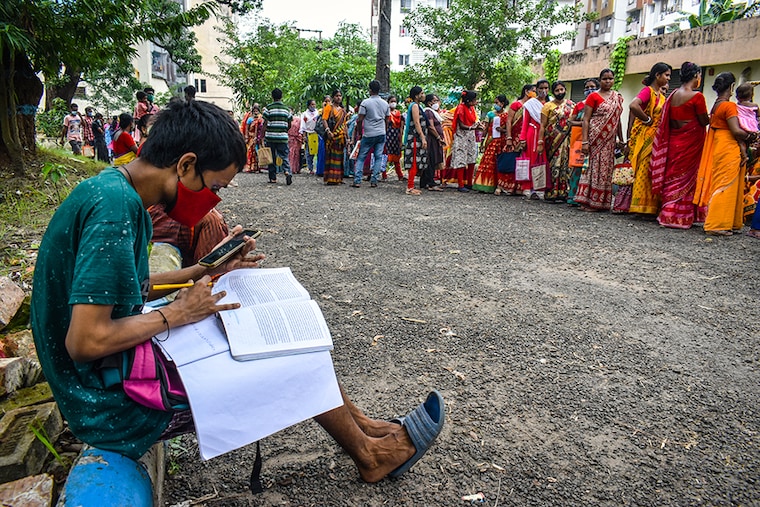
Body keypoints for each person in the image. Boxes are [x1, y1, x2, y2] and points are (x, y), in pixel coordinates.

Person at [30, 99, 443, 483]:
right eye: (216, 187)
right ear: (186, 165)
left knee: (287, 337)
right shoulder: (115, 209)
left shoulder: (117, 192)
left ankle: (366, 427)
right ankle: (371, 458)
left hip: (113, 373)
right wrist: (177, 314)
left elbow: (128, 287)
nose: (215, 200)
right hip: (108, 403)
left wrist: (204, 270)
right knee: (287, 357)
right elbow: (86, 340)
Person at [693, 72, 758, 235]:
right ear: (731, 87)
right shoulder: (728, 106)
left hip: (721, 145)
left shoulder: (716, 104)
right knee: (725, 184)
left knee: (728, 183)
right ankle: (716, 224)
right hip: (728, 146)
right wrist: (752, 135)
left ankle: (729, 222)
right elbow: (736, 130)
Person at [648, 62, 709, 229]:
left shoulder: (672, 95)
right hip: (690, 144)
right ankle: (681, 217)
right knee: (686, 178)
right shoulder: (697, 97)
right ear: (696, 76)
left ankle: (667, 213)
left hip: (674, 142)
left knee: (673, 175)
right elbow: (704, 121)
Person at [626, 62, 672, 215]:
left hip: (657, 138)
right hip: (645, 137)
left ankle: (651, 205)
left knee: (653, 169)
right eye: (666, 75)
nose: (668, 79)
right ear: (657, 75)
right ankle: (640, 206)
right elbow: (633, 105)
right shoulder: (648, 91)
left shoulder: (661, 95)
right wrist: (647, 120)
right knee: (644, 170)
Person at [577, 69, 626, 212]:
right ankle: (588, 201)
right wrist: (585, 141)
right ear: (600, 80)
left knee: (605, 169)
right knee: (592, 168)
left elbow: (617, 120)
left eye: (611, 78)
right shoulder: (593, 96)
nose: (608, 81)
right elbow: (586, 120)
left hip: (609, 141)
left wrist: (621, 139)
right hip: (594, 138)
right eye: (605, 79)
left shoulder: (617, 97)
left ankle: (602, 202)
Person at [537, 82, 575, 202]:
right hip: (552, 141)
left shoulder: (571, 105)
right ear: (553, 93)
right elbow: (542, 125)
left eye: (561, 89)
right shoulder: (547, 106)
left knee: (566, 164)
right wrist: (540, 142)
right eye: (557, 90)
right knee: (554, 164)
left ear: (565, 90)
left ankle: (564, 192)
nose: (560, 92)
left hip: (567, 140)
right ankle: (551, 192)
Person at [352, 80, 391, 188]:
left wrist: (360, 132)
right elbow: (387, 119)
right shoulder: (385, 104)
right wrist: (385, 130)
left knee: (361, 157)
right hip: (381, 133)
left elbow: (359, 120)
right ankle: (374, 180)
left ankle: (357, 180)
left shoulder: (365, 103)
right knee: (378, 157)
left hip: (369, 133)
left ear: (370, 90)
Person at [567, 79, 598, 205]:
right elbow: (570, 121)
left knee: (593, 169)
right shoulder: (580, 105)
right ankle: (573, 196)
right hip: (580, 139)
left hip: (596, 139)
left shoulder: (601, 104)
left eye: (593, 87)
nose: (589, 90)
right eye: (587, 87)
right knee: (578, 168)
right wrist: (585, 123)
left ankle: (590, 198)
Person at [520, 80, 551, 199]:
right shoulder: (530, 104)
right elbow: (525, 122)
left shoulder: (551, 102)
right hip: (533, 134)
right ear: (536, 89)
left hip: (548, 135)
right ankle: (530, 187)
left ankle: (543, 187)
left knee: (545, 160)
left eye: (546, 88)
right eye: (541, 88)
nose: (544, 90)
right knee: (533, 160)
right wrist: (522, 139)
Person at [502, 84, 535, 195]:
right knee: (512, 160)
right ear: (526, 91)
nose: (535, 93)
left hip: (528, 136)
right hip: (515, 136)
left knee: (525, 161)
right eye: (533, 91)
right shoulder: (517, 104)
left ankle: (522, 187)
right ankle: (508, 186)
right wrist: (509, 138)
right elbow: (509, 121)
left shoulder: (534, 105)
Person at [473, 95, 509, 194]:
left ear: (502, 104)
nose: (495, 105)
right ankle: (485, 185)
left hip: (502, 141)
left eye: (497, 103)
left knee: (500, 162)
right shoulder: (490, 114)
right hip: (491, 141)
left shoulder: (507, 115)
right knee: (488, 162)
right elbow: (485, 129)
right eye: (495, 103)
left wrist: (502, 130)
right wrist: (482, 142)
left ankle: (499, 185)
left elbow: (509, 129)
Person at [450, 90, 483, 193]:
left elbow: (473, 121)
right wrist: (472, 128)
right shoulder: (460, 108)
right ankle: (460, 184)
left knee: (472, 157)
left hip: (470, 135)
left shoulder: (471, 108)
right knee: (461, 158)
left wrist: (477, 126)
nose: (476, 101)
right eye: (474, 100)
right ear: (469, 101)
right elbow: (461, 125)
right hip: (461, 136)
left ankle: (469, 183)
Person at [262, 88, 293, 185]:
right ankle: (287, 171)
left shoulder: (269, 108)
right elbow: (289, 123)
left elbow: (265, 123)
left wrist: (262, 135)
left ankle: (273, 178)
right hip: (282, 137)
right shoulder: (286, 109)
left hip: (270, 136)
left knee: (271, 157)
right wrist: (284, 131)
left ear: (272, 96)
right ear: (281, 96)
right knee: (284, 155)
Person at [403, 86, 428, 195]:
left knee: (415, 161)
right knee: (413, 161)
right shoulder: (415, 107)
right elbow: (417, 123)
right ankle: (410, 187)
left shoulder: (417, 106)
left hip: (416, 137)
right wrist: (422, 137)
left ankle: (411, 185)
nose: (424, 95)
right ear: (417, 96)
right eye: (422, 93)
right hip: (414, 137)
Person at [321, 89, 348, 185]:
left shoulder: (343, 111)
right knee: (331, 156)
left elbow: (345, 125)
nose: (339, 97)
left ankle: (338, 178)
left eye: (340, 96)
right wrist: (328, 130)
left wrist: (347, 137)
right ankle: (331, 178)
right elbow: (324, 119)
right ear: (333, 97)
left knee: (340, 157)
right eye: (337, 95)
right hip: (331, 135)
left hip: (340, 137)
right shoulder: (329, 107)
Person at [423, 94, 445, 191]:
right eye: (435, 101)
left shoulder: (433, 112)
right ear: (429, 102)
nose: (437, 103)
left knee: (432, 159)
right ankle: (430, 183)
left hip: (434, 139)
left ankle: (425, 182)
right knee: (431, 159)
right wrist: (438, 137)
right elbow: (431, 126)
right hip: (432, 139)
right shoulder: (428, 112)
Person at [383, 96, 405, 181]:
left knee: (396, 156)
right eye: (391, 101)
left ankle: (400, 175)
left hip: (396, 136)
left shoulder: (399, 113)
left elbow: (401, 127)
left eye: (395, 101)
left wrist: (401, 135)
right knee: (386, 156)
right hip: (388, 135)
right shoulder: (386, 113)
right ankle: (384, 175)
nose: (393, 103)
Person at [300, 99, 321, 173]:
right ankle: (310, 168)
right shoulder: (304, 114)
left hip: (317, 134)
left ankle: (318, 168)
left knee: (318, 151)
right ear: (309, 106)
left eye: (314, 104)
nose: (314, 106)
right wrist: (304, 136)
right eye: (312, 104)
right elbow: (303, 125)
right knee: (309, 152)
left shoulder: (318, 113)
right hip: (309, 134)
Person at [243, 104, 264, 173]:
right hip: (251, 137)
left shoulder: (261, 119)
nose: (255, 112)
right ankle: (250, 167)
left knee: (257, 152)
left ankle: (257, 167)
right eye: (254, 111)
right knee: (250, 151)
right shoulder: (250, 119)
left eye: (257, 111)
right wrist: (246, 136)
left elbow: (262, 128)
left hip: (258, 138)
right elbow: (247, 128)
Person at [287, 109, 303, 174]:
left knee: (296, 154)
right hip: (289, 138)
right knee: (290, 153)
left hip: (296, 139)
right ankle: (289, 168)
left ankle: (296, 168)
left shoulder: (298, 119)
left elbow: (300, 129)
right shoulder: (286, 119)